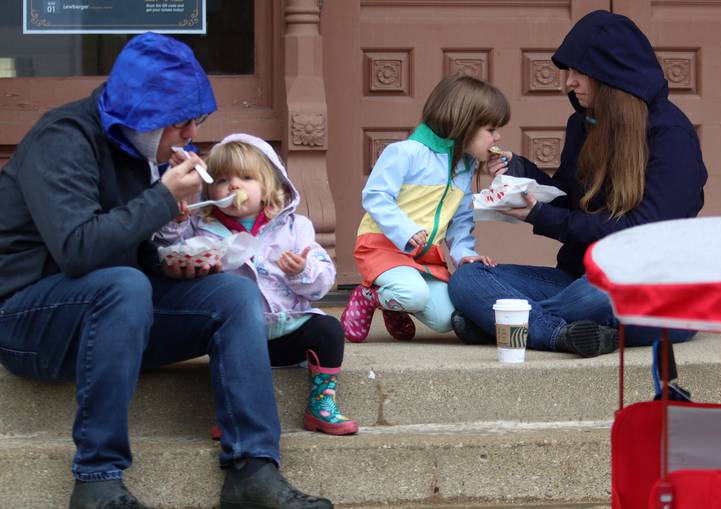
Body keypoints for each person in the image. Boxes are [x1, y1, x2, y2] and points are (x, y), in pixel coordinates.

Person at [0, 33, 332, 509]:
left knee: (232, 296)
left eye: (194, 123)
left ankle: (253, 470)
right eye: (182, 125)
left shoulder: (144, 156)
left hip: (114, 315)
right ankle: (97, 479)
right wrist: (160, 199)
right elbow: (77, 251)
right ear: (146, 118)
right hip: (27, 320)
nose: (190, 138)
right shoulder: (62, 139)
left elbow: (129, 255)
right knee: (125, 285)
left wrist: (173, 261)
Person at [448, 10, 708, 357]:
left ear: (610, 72)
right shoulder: (583, 125)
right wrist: (521, 173)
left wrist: (539, 216)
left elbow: (643, 233)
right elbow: (570, 202)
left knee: (596, 295)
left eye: (577, 71)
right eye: (567, 72)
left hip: (653, 290)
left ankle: (506, 324)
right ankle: (559, 333)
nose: (569, 82)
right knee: (468, 279)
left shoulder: (671, 135)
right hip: (579, 279)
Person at [155, 133, 358, 436]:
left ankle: (321, 404)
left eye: (246, 178)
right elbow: (170, 249)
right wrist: (177, 221)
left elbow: (321, 284)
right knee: (226, 342)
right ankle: (234, 413)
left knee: (328, 330)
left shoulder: (295, 228)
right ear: (211, 189)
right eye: (223, 179)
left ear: (269, 187)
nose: (233, 185)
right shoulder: (201, 227)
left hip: (285, 328)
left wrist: (301, 272)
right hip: (235, 334)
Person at [340, 74, 506, 343]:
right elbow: (375, 196)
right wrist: (405, 230)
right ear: (463, 123)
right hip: (382, 247)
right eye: (491, 129)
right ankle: (370, 295)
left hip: (424, 257)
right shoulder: (405, 153)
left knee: (444, 320)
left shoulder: (465, 166)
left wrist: (464, 254)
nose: (497, 136)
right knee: (413, 294)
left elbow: (461, 219)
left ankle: (393, 303)